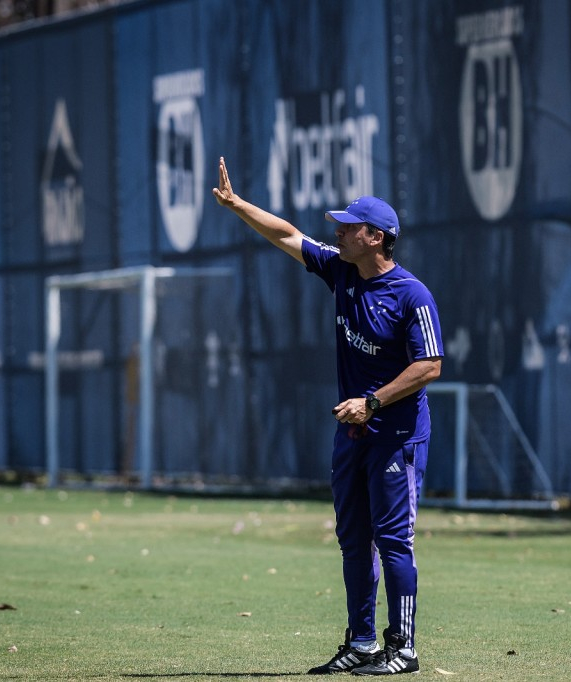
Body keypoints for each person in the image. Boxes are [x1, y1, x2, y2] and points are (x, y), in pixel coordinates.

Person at [213, 157, 443, 676]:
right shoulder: (341, 270)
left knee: (393, 541)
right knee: (353, 540)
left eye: (348, 227)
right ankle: (361, 643)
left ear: (378, 237)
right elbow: (289, 236)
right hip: (353, 435)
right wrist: (237, 204)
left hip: (395, 436)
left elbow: (429, 365)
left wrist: (374, 401)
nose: (337, 232)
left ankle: (401, 648)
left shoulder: (412, 295)